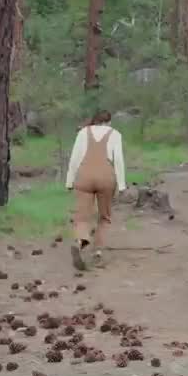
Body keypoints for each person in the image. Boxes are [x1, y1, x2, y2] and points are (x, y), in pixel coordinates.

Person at [64, 110, 126, 270]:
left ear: (94, 121)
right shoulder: (115, 134)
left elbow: (75, 158)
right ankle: (97, 252)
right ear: (109, 122)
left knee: (82, 217)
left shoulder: (83, 132)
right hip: (106, 177)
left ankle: (80, 242)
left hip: (84, 176)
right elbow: (118, 160)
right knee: (104, 217)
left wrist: (69, 181)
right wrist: (122, 184)